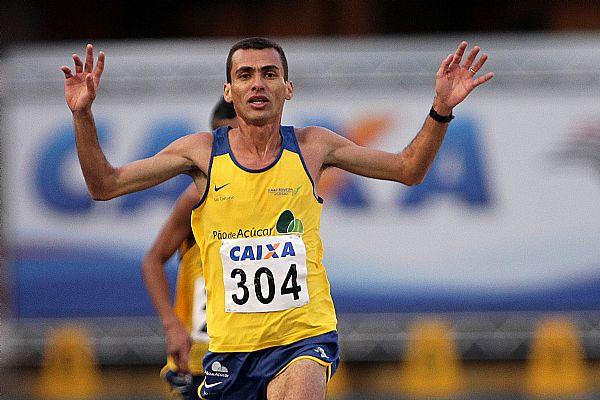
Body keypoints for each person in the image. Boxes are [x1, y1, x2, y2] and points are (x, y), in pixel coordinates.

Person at [61, 37, 493, 400]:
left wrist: (440, 110)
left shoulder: (313, 147)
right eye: (245, 75)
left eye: (269, 73)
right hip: (229, 351)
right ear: (229, 91)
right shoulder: (200, 154)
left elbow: (408, 169)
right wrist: (82, 114)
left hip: (303, 336)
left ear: (288, 88)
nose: (258, 84)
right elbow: (106, 185)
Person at [141, 98, 237, 400]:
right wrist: (172, 325)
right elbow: (153, 260)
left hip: (256, 351)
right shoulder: (194, 199)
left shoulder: (275, 193)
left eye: (238, 138)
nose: (232, 151)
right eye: (223, 140)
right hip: (200, 359)